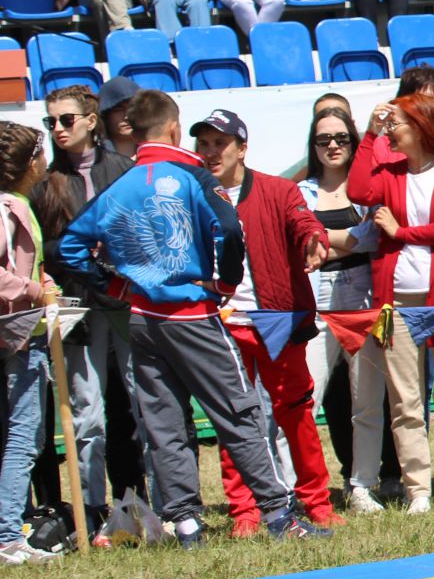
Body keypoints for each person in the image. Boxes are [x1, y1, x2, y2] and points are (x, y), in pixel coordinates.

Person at [58, 90, 320, 547]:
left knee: (163, 423)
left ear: (132, 132)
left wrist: (117, 286)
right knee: (239, 412)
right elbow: (231, 228)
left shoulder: (119, 187)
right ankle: (279, 515)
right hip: (193, 313)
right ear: (176, 129)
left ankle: (186, 524)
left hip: (142, 317)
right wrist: (225, 283)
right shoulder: (192, 177)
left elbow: (69, 248)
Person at [192, 110, 335, 535]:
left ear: (242, 148)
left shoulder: (278, 189)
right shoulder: (193, 195)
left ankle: (317, 502)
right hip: (221, 321)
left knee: (297, 413)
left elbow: (303, 221)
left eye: (221, 143)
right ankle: (244, 511)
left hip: (277, 318)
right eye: (204, 143)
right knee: (233, 418)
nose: (212, 152)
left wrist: (314, 240)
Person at [347, 92, 434, 514]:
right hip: (398, 302)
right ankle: (418, 490)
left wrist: (400, 231)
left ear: (421, 127)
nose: (392, 130)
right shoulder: (390, 172)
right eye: (389, 126)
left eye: (397, 125)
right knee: (405, 400)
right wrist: (369, 134)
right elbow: (357, 187)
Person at [29, 86, 138, 537]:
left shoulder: (125, 171)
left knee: (143, 403)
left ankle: (143, 503)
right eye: (50, 122)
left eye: (66, 120)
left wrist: (113, 249)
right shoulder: (44, 181)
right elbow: (39, 248)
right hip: (77, 307)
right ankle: (91, 511)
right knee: (87, 414)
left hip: (127, 301)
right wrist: (75, 249)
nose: (57, 129)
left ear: (92, 121)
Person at [299, 104, 386, 514]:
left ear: (353, 142)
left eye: (341, 138)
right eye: (323, 140)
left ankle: (362, 486)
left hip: (364, 297)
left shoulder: (368, 188)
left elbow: (373, 238)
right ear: (313, 146)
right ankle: (304, 488)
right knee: (307, 397)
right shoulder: (299, 191)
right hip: (317, 300)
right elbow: (301, 239)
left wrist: (324, 237)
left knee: (365, 399)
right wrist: (348, 237)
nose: (333, 145)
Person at [0, 122, 57, 565]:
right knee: (24, 435)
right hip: (17, 335)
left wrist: (40, 279)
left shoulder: (18, 205)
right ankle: (7, 535)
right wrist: (33, 291)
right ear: (26, 163)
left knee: (20, 433)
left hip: (22, 330)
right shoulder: (6, 208)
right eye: (40, 152)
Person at [94, 75, 141, 158]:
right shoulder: (94, 159)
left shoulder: (157, 154)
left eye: (132, 107)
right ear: (105, 115)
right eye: (118, 109)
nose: (127, 117)